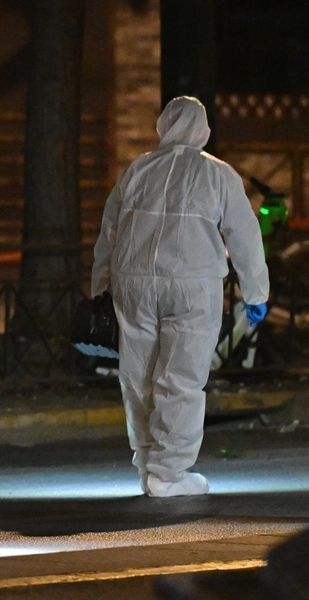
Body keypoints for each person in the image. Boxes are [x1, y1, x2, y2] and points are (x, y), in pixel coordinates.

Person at [92, 96, 269, 498]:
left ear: (163, 126)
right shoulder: (218, 174)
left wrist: (99, 285)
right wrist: (256, 291)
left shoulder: (137, 169)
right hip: (193, 283)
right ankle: (169, 472)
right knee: (181, 378)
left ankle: (147, 462)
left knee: (138, 376)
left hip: (134, 283)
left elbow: (110, 230)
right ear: (203, 128)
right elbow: (244, 235)